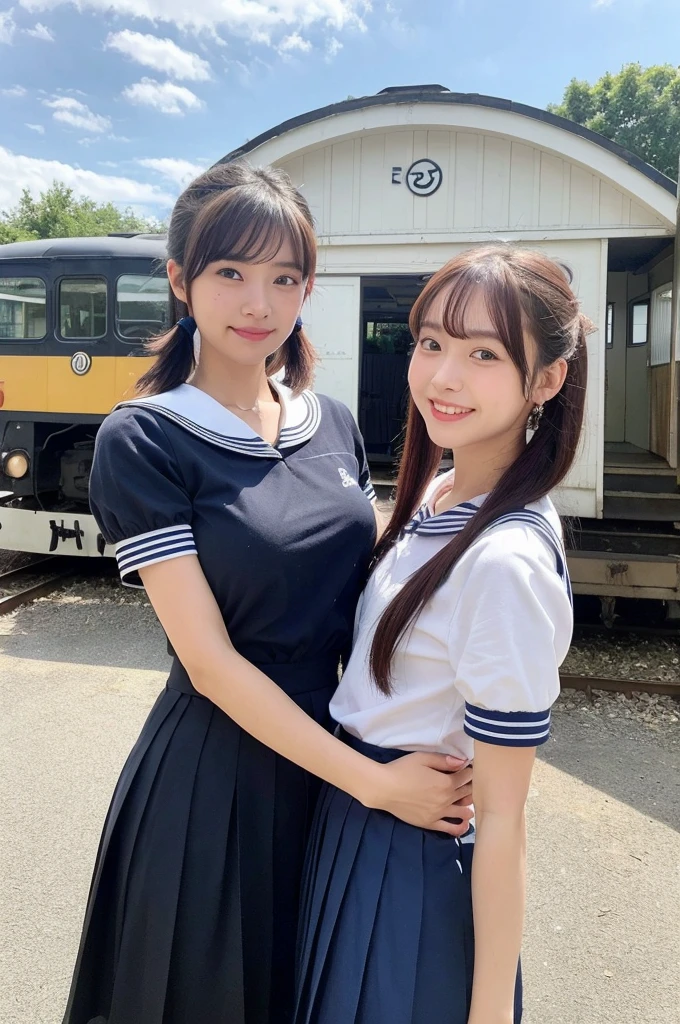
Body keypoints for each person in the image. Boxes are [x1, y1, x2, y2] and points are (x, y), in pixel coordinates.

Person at [62, 162, 474, 1024]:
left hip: (339, 757)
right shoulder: (146, 439)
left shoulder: (333, 424)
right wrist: (372, 783)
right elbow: (209, 663)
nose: (259, 302)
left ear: (306, 288)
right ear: (180, 282)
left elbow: (369, 590)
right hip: (221, 783)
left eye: (284, 277)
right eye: (231, 273)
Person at [294, 245, 589, 1024]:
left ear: (547, 380)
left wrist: (488, 1012)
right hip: (360, 823)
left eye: (484, 353)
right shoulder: (442, 487)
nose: (442, 377)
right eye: (431, 343)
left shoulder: (505, 561)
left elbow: (502, 817)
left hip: (411, 861)